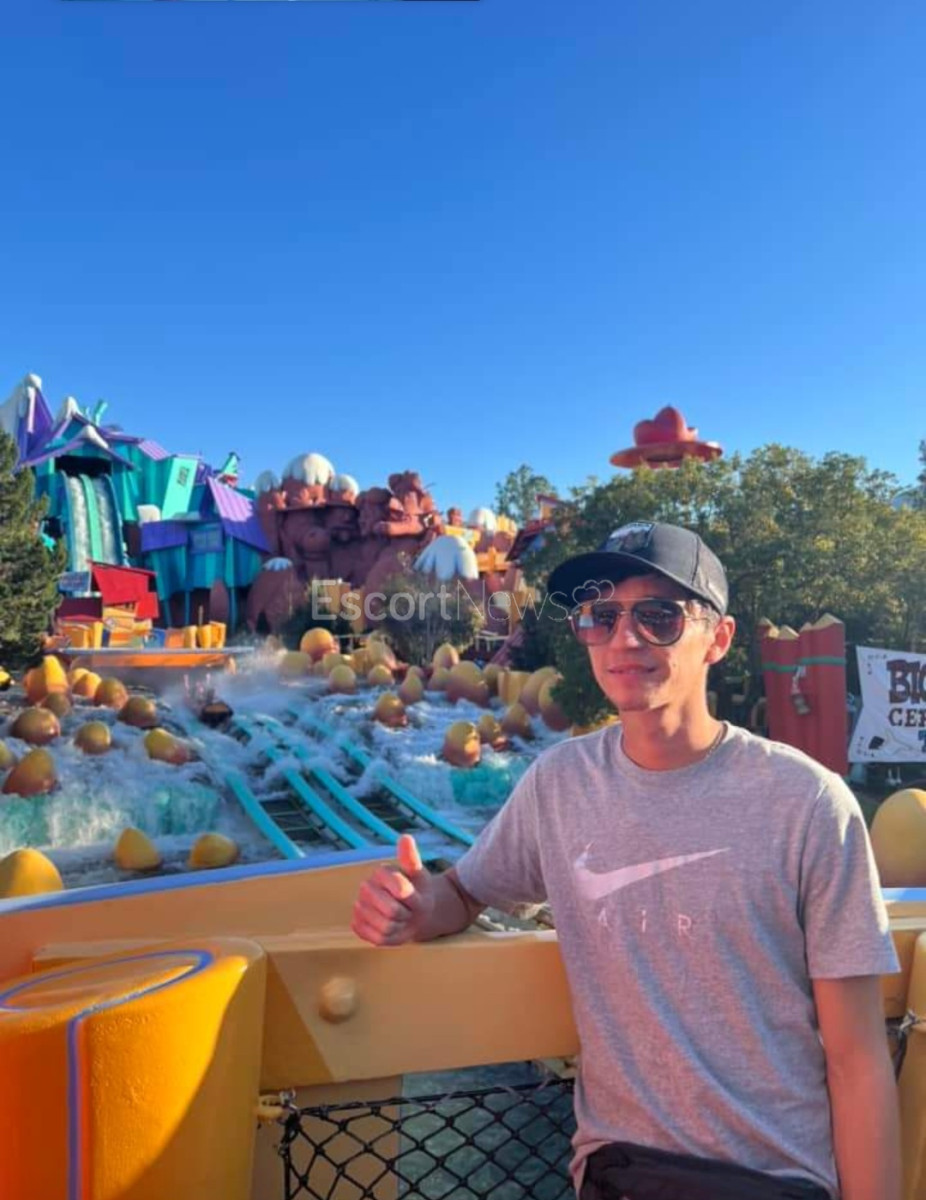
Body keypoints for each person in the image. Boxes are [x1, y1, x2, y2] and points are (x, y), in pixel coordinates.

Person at [351, 521, 901, 1200]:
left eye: (659, 617)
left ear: (718, 639)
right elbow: (464, 893)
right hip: (625, 1173)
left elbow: (856, 1059)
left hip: (774, 1178)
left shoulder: (808, 802)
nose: (625, 639)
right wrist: (414, 906)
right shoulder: (560, 784)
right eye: (602, 617)